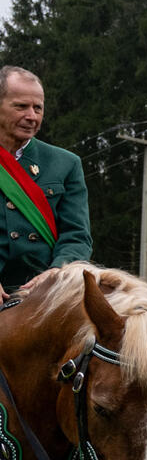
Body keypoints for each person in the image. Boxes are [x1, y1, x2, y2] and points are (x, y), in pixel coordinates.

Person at [0, 65, 91, 298]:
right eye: (21, 106)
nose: (32, 116)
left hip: (44, 292)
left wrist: (57, 272)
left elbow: (77, 236)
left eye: (38, 108)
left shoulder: (66, 164)